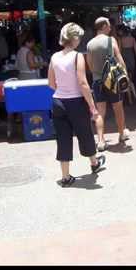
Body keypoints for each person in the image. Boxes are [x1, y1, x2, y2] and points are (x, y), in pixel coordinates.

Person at [48, 23, 106, 187]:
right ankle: (94, 163)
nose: (80, 40)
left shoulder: (54, 57)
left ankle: (65, 177)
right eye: (79, 37)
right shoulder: (77, 56)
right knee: (85, 133)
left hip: (58, 101)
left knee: (63, 138)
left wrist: (64, 89)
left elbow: (51, 83)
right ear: (74, 38)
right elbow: (83, 82)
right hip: (76, 102)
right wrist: (92, 106)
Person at [86, 17, 130, 152]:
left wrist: (97, 73)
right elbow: (119, 58)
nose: (111, 28)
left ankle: (100, 141)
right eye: (109, 25)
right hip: (112, 80)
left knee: (100, 112)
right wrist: (125, 75)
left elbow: (90, 64)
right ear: (104, 26)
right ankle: (122, 134)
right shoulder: (111, 40)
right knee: (118, 108)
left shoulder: (90, 44)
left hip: (97, 80)